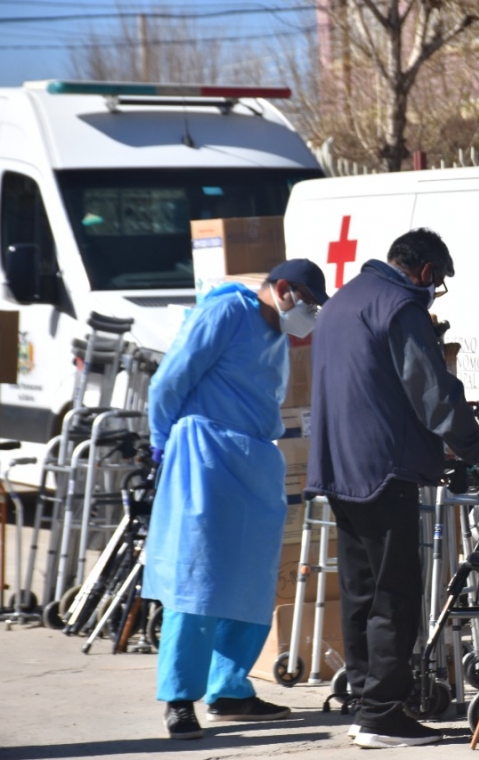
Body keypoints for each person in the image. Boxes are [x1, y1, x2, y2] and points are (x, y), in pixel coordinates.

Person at [306, 228, 479, 749]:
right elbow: (435, 396)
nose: (436, 291)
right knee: (394, 593)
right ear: (426, 272)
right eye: (439, 282)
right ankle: (383, 716)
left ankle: (365, 704)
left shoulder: (342, 301)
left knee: (360, 590)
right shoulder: (399, 306)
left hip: (339, 466)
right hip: (384, 470)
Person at [144, 259, 329, 740]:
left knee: (251, 580)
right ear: (283, 289)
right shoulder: (227, 312)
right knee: (197, 583)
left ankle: (228, 689)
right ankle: (180, 698)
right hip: (204, 454)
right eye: (306, 301)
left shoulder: (276, 333)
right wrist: (160, 439)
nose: (309, 312)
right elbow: (170, 380)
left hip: (252, 461)